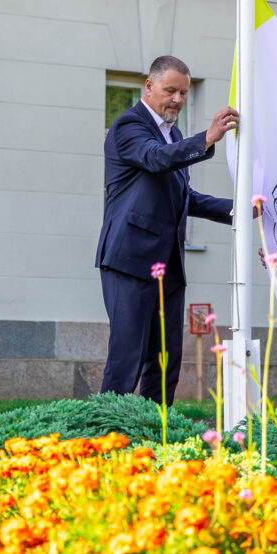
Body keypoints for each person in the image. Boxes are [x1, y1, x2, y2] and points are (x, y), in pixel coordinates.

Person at [95, 55, 238, 402]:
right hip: (129, 262)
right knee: (127, 359)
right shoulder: (128, 126)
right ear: (149, 86)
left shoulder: (172, 134)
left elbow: (184, 198)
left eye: (183, 93)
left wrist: (240, 209)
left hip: (168, 268)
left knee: (165, 362)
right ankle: (105, 431)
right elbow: (155, 159)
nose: (177, 99)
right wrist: (207, 138)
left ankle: (155, 429)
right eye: (170, 90)